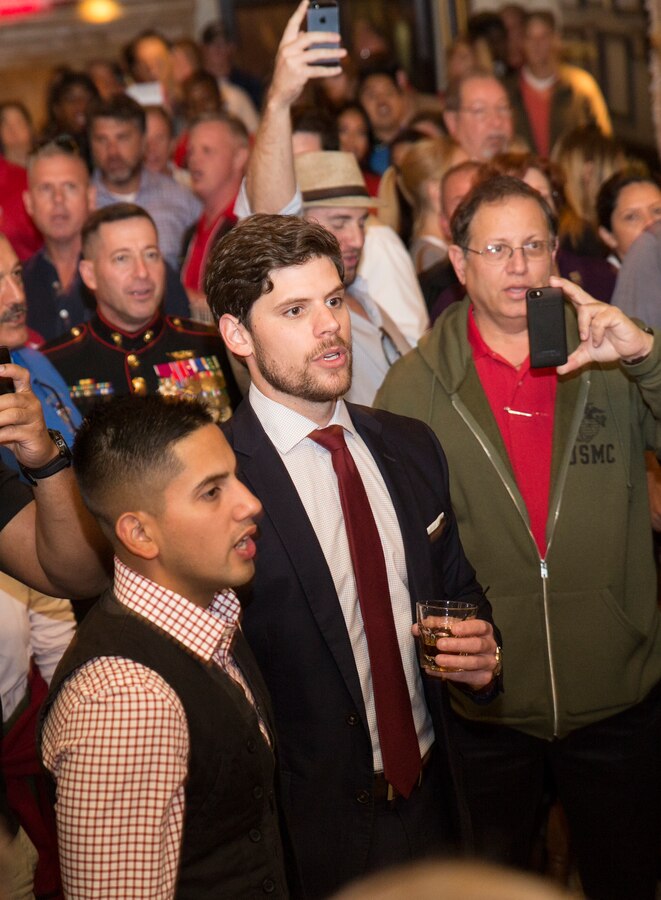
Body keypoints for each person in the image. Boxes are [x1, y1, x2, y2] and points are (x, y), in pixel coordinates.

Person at [376, 174, 661, 900]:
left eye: (533, 245)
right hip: (487, 707)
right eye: (495, 248)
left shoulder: (608, 358)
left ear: (555, 258)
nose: (517, 264)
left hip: (616, 694)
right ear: (460, 264)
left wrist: (643, 356)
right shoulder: (412, 388)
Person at [207, 213, 500, 899]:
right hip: (308, 840)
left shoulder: (409, 445)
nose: (329, 326)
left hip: (438, 804)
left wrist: (483, 656)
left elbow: (459, 591)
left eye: (334, 300)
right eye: (295, 309)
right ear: (237, 335)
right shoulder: (217, 482)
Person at [39, 392, 291, 898]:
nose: (250, 502)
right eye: (211, 492)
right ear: (139, 533)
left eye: (234, 477)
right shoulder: (124, 702)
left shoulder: (212, 612)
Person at [239, 1, 428, 367]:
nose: (357, 239)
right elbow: (270, 219)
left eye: (360, 222)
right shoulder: (294, 308)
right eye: (340, 222)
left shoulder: (361, 295)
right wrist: (280, 100)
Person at [42, 203, 241, 417]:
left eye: (151, 255)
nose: (142, 272)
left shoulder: (213, 346)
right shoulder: (54, 365)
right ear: (90, 274)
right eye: (122, 258)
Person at [23, 137, 190, 343]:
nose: (58, 200)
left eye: (70, 187)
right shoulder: (17, 285)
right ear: (28, 203)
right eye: (46, 189)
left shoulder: (147, 271)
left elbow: (181, 346)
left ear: (91, 197)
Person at [89, 94, 201, 269]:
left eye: (122, 138)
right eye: (102, 140)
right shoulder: (81, 204)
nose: (112, 152)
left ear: (142, 141)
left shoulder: (180, 197)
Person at [505, 10, 611, 158]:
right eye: (530, 37)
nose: (537, 45)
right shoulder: (507, 91)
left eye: (544, 37)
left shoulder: (581, 88)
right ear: (522, 43)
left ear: (556, 39)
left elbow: (603, 142)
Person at [181, 112, 250, 320]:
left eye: (207, 151)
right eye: (191, 151)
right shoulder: (192, 230)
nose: (194, 160)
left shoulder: (246, 230)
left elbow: (238, 310)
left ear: (239, 158)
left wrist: (177, 296)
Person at [443, 69, 515, 161]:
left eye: (503, 108)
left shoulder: (527, 172)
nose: (497, 122)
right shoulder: (437, 174)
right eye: (480, 111)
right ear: (452, 122)